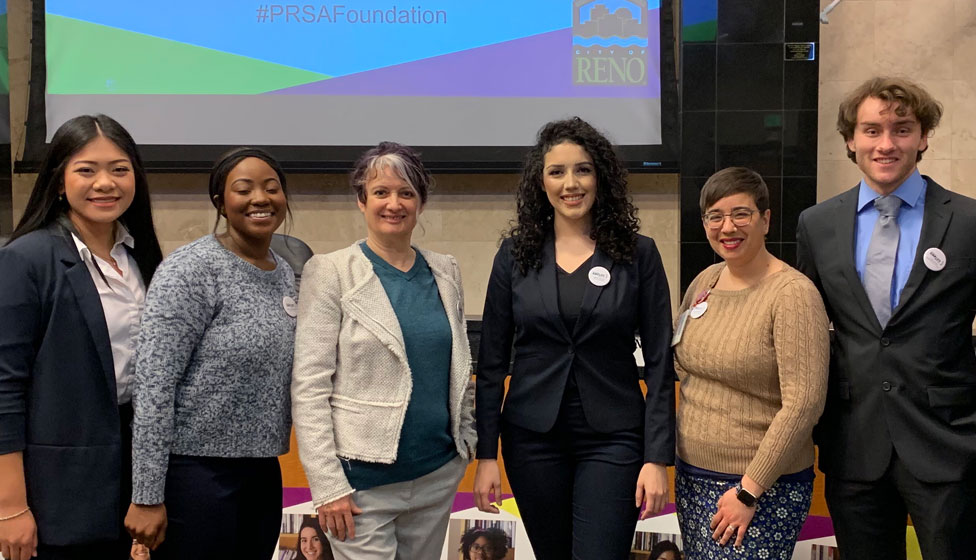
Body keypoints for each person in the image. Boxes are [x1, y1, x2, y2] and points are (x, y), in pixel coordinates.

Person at [795, 76, 976, 560]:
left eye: (902, 129)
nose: (886, 144)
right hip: (854, 443)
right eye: (871, 130)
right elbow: (807, 333)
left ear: (924, 137)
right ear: (850, 140)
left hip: (947, 443)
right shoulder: (817, 223)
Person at [472, 117, 675, 559]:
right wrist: (486, 455)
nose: (571, 183)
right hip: (531, 439)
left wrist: (657, 457)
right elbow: (489, 364)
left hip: (615, 438)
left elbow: (661, 364)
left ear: (600, 176)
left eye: (582, 169)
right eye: (557, 171)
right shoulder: (514, 256)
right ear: (539, 182)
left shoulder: (638, 254)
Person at [290, 142, 475, 560]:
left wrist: (465, 444)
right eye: (381, 192)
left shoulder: (445, 271)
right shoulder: (332, 271)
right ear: (361, 200)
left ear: (421, 202)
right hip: (359, 489)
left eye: (406, 193)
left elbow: (458, 366)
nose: (394, 204)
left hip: (436, 476)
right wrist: (328, 485)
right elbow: (309, 387)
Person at [0, 114, 163, 560]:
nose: (105, 183)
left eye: (119, 169)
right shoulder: (26, 259)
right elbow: (4, 389)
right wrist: (10, 508)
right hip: (56, 492)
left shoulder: (141, 258)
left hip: (134, 482)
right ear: (58, 182)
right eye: (86, 170)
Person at [124, 147, 297, 558]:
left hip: (262, 468)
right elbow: (153, 385)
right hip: (195, 473)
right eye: (244, 189)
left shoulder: (285, 271)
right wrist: (147, 493)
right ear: (220, 201)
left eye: (272, 188)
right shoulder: (191, 269)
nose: (260, 198)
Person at [674, 167, 829, 557]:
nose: (728, 227)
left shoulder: (793, 294)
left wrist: (749, 488)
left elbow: (805, 402)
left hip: (757, 488)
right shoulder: (705, 281)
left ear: (765, 220)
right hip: (693, 476)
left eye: (741, 213)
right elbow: (683, 361)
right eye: (715, 216)